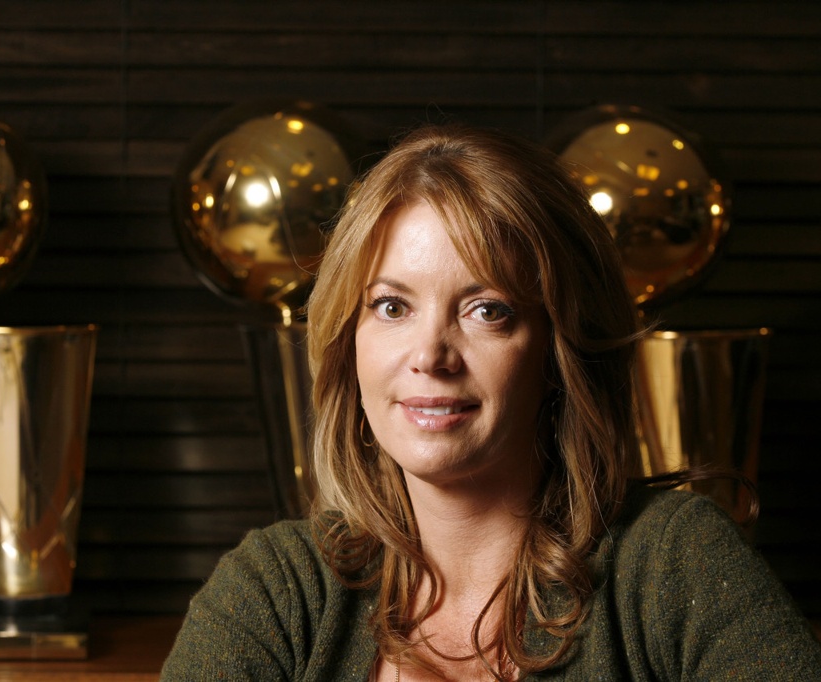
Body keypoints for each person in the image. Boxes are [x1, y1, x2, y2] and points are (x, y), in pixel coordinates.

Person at [161, 124, 821, 680]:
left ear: (560, 349)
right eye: (391, 307)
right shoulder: (277, 590)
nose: (430, 355)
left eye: (487, 310)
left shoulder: (675, 562)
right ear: (347, 341)